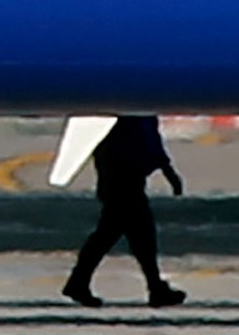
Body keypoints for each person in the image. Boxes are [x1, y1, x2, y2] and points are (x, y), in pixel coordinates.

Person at [63, 115, 186, 308]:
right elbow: (146, 137)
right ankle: (155, 288)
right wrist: (167, 170)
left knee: (122, 235)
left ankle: (79, 282)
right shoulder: (129, 111)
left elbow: (147, 137)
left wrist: (166, 169)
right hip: (123, 178)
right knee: (131, 235)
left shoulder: (127, 108)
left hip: (122, 177)